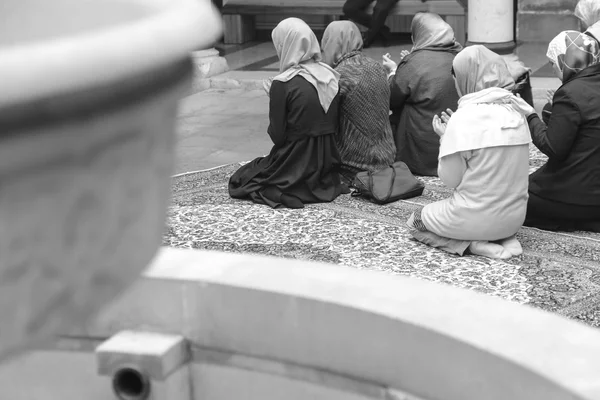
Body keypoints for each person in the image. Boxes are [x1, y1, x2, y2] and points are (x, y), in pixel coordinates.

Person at [406, 45, 534, 259]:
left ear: (467, 77)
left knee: (414, 222)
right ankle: (504, 237)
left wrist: (445, 138)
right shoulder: (517, 112)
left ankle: (472, 245)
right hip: (514, 220)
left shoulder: (463, 118)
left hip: (472, 219)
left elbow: (450, 179)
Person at [228, 18, 348, 209]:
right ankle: (314, 188)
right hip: (326, 162)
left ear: (287, 45)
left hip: (294, 162)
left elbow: (278, 136)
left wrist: (274, 98)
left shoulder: (283, 83)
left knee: (244, 177)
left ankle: (282, 192)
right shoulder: (330, 75)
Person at [523, 31, 600, 232]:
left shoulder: (570, 92)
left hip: (579, 192)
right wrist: (555, 112)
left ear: (564, 61)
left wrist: (530, 115)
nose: (553, 71)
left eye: (552, 64)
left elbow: (553, 147)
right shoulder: (579, 90)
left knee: (514, 195)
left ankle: (573, 218)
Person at [382, 12, 462, 176]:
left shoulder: (414, 62)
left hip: (422, 152)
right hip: (459, 146)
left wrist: (393, 72)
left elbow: (392, 100)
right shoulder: (463, 55)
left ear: (418, 36)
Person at [321, 21, 396, 181]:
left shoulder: (338, 75)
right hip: (387, 159)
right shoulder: (377, 67)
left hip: (353, 165)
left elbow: (325, 123)